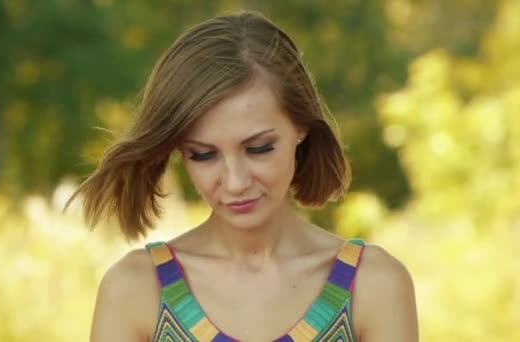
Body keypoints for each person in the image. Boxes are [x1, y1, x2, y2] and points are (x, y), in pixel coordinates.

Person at [68, 11, 418, 342]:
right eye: (203, 155)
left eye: (259, 148)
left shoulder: (373, 286)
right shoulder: (135, 289)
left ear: (301, 128)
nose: (235, 182)